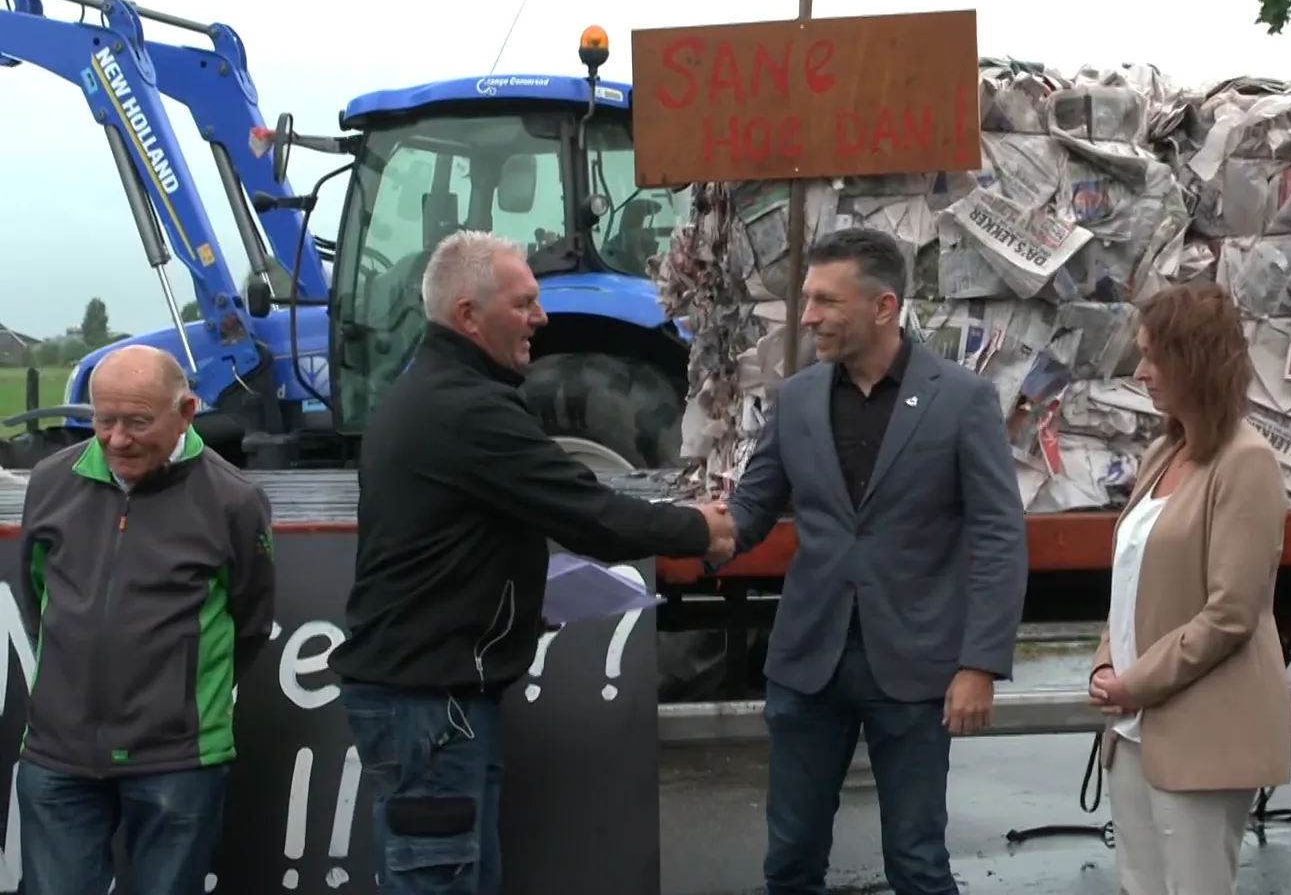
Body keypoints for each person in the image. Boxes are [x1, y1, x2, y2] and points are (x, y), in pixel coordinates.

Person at [331, 230, 732, 895]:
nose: (541, 319)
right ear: (468, 316)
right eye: (524, 304)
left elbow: (454, 541)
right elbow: (591, 514)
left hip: (439, 697)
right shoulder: (469, 410)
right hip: (433, 705)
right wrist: (701, 527)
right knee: (439, 878)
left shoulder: (432, 394)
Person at [712, 227, 1028, 895]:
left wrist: (979, 664)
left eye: (826, 301)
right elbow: (753, 507)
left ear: (883, 308)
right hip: (807, 664)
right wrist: (698, 533)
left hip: (914, 667)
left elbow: (1000, 534)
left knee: (917, 862)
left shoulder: (961, 399)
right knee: (791, 860)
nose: (808, 317)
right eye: (807, 299)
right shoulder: (796, 398)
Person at [13, 344, 276, 893]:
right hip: (58, 756)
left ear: (185, 412)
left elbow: (249, 619)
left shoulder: (233, 499)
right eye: (103, 420)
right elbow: (38, 594)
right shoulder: (50, 481)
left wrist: (180, 696)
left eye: (136, 421)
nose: (116, 438)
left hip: (177, 759)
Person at [1085, 280, 1291, 895]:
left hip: (1200, 734)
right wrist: (1104, 663)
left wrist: (1134, 683)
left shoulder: (1246, 463)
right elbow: (1130, 581)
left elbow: (1230, 614)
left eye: (1153, 356)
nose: (1141, 371)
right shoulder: (1163, 451)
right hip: (1132, 727)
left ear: (1193, 361)